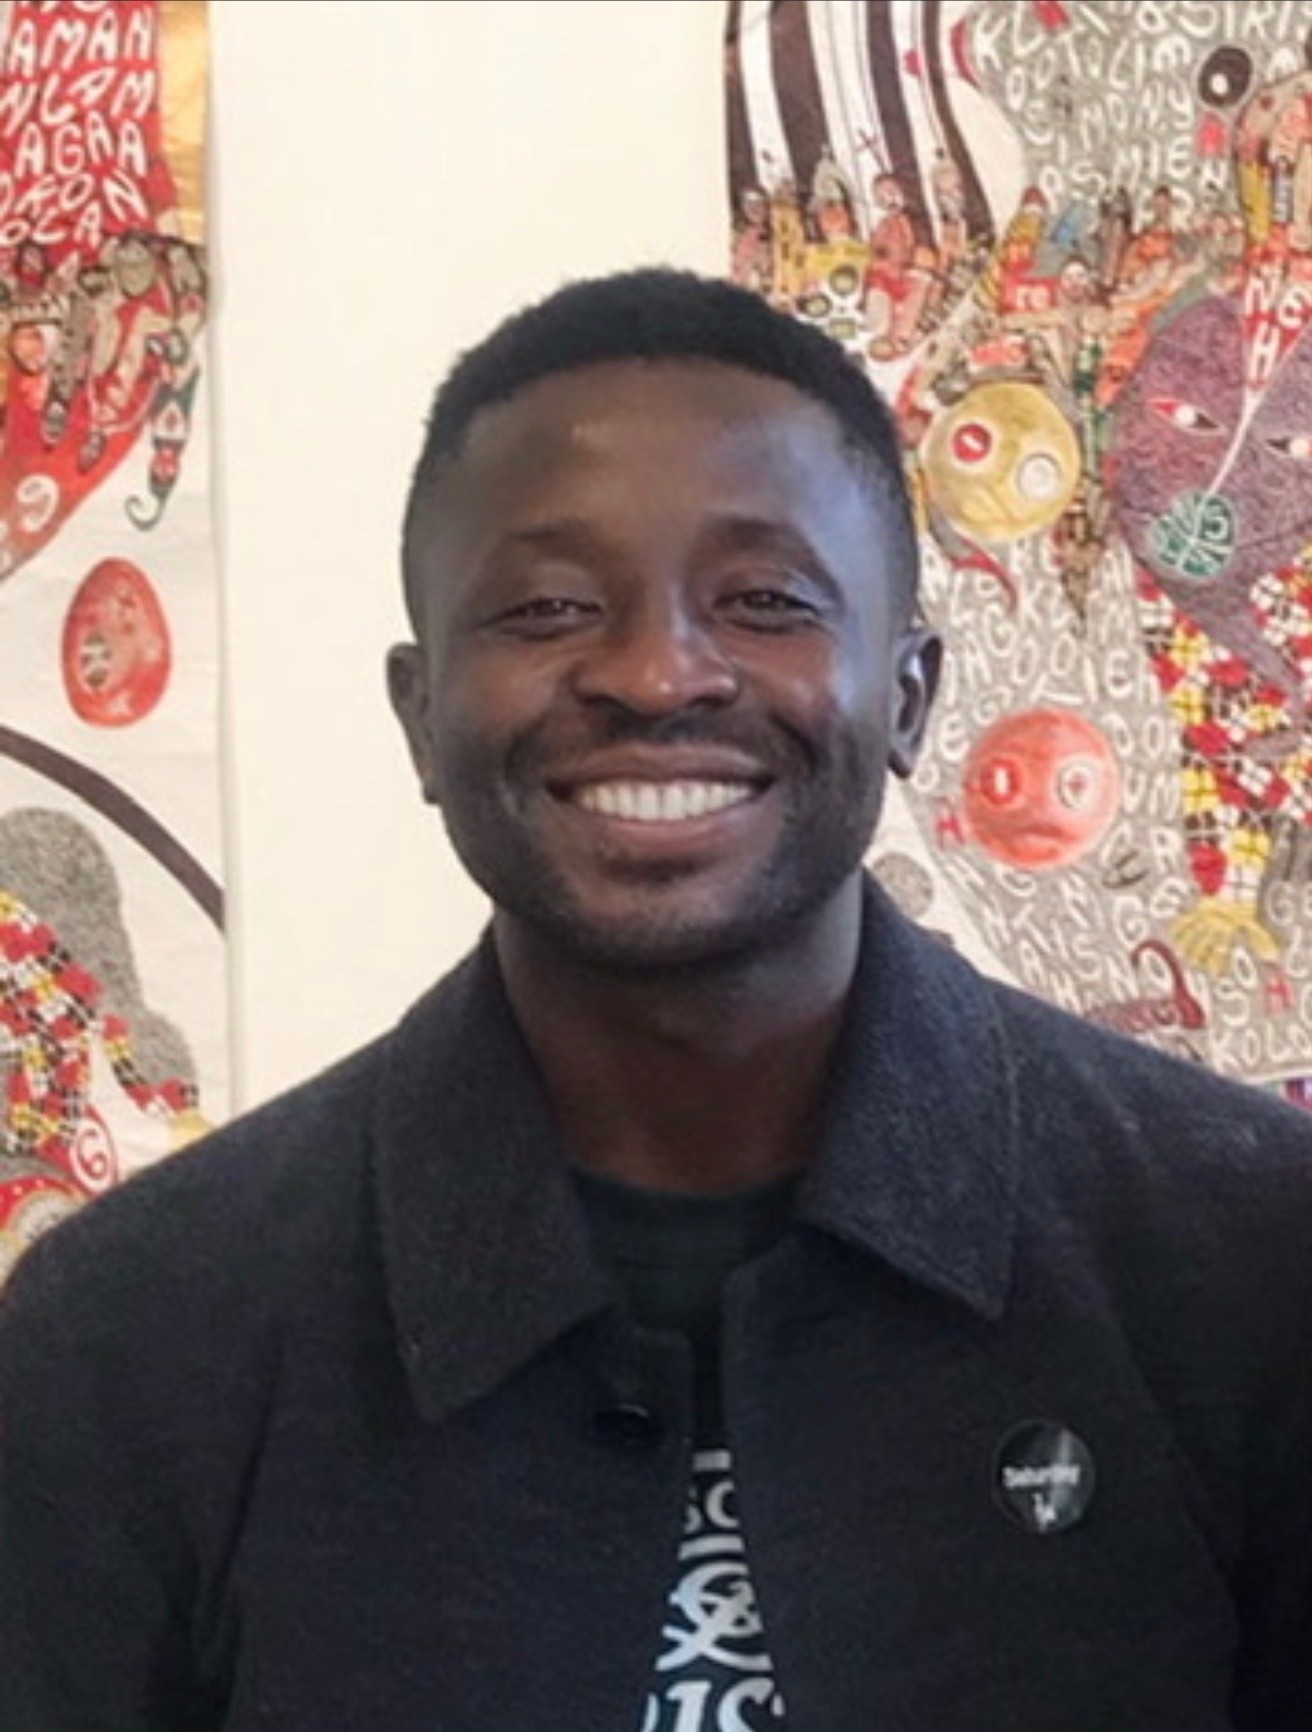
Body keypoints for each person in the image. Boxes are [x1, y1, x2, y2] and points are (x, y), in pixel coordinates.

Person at [2, 268, 1311, 1732]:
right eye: (550, 607)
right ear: (419, 715)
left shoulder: (1251, 1268)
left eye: (763, 601)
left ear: (915, 697)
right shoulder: (131, 1337)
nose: (652, 673)